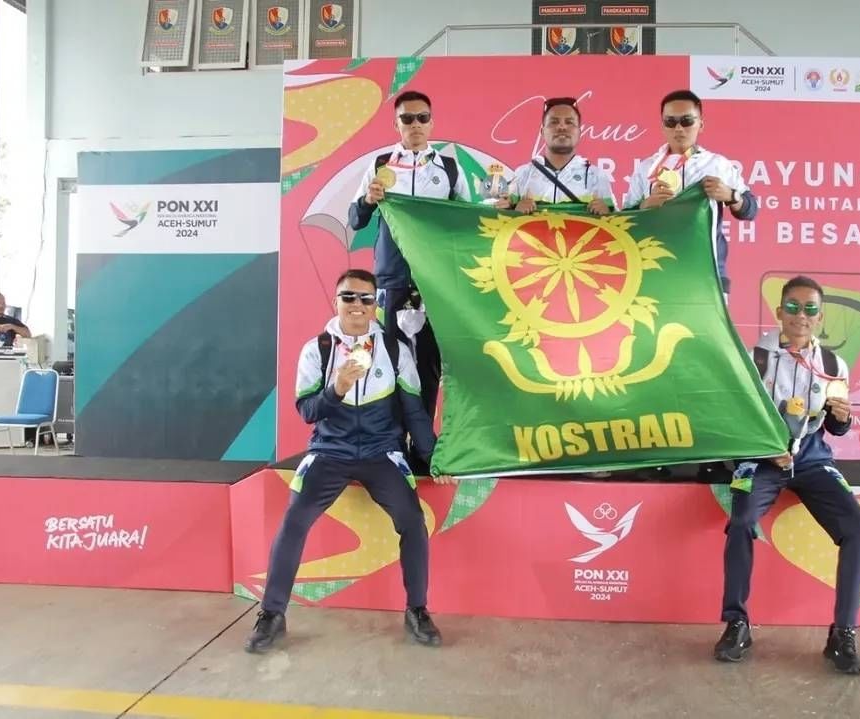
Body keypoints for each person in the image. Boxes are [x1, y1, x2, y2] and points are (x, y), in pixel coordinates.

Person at [246, 269, 455, 654]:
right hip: (330, 452)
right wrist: (337, 388)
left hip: (381, 453)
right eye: (349, 297)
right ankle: (272, 614)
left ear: (375, 305)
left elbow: (414, 411)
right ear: (336, 301)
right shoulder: (317, 349)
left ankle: (417, 610)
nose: (357, 305)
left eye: (366, 299)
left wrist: (435, 459)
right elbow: (308, 411)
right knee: (294, 521)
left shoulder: (395, 349)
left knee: (413, 521)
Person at [714, 276, 860, 675]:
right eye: (794, 307)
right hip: (762, 460)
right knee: (742, 522)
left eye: (811, 309)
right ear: (780, 312)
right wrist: (768, 448)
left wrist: (842, 417)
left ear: (820, 317)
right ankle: (737, 624)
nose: (802, 316)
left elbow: (835, 428)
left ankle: (843, 634)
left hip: (812, 460)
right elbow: (738, 418)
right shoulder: (754, 358)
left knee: (857, 526)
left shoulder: (833, 365)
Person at [348, 90, 471, 473]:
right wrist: (368, 200)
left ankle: (423, 448)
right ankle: (391, 444)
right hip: (392, 281)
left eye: (422, 118)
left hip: (436, 282)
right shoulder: (380, 164)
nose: (415, 125)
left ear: (431, 123)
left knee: (428, 365)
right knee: (389, 363)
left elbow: (466, 223)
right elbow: (355, 220)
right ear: (396, 123)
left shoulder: (449, 169)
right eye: (407, 118)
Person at [623, 89, 757, 300]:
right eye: (670, 122)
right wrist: (644, 207)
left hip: (707, 274)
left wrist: (731, 196)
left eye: (686, 121)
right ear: (662, 125)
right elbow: (624, 219)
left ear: (700, 124)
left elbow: (751, 209)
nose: (678, 128)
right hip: (657, 271)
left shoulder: (717, 165)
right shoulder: (646, 168)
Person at [496, 96, 616, 215]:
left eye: (569, 122)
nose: (562, 127)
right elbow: (500, 218)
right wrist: (515, 212)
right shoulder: (523, 175)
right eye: (554, 122)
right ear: (542, 132)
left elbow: (617, 222)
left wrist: (607, 213)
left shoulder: (596, 177)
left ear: (579, 132)